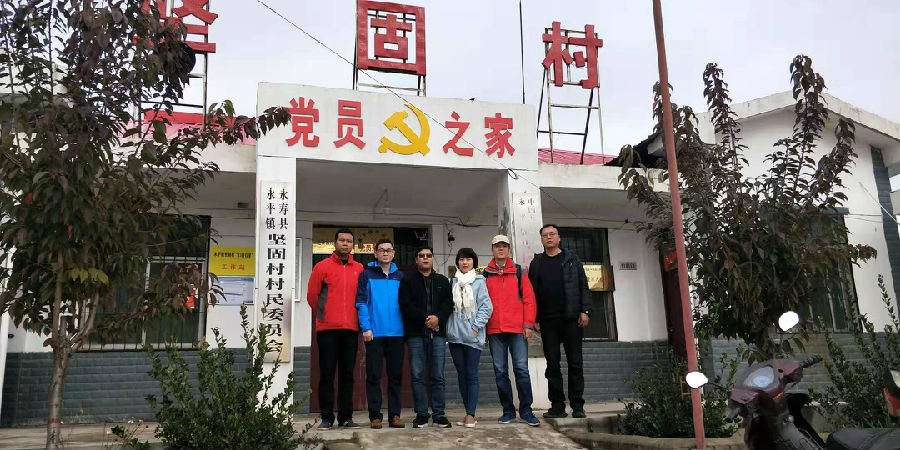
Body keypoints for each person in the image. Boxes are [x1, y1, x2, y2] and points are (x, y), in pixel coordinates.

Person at [528, 224, 592, 419]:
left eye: (552, 234)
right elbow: (532, 293)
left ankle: (577, 406)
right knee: (552, 365)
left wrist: (585, 311)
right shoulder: (537, 263)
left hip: (571, 319)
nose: (549, 237)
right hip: (548, 321)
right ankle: (557, 406)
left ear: (559, 238)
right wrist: (534, 318)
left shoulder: (572, 259)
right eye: (545, 235)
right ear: (541, 239)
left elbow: (583, 285)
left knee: (575, 364)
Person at [306, 228, 364, 430]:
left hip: (351, 329)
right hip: (327, 330)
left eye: (349, 241)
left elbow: (363, 296)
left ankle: (346, 417)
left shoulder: (359, 268)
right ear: (335, 243)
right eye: (342, 240)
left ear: (353, 245)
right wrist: (325, 315)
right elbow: (312, 296)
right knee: (327, 374)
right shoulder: (322, 267)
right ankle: (327, 417)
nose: (345, 244)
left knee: (348, 375)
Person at [483, 234, 540, 427]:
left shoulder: (519, 271)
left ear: (509, 249)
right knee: (500, 372)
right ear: (492, 249)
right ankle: (508, 411)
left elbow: (529, 299)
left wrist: (528, 324)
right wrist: (484, 329)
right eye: (497, 246)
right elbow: (481, 304)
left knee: (521, 370)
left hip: (517, 329)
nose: (501, 249)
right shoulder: (485, 275)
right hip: (495, 330)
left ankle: (526, 411)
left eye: (504, 246)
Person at [398, 245, 454, 428]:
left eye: (428, 255)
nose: (425, 258)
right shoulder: (407, 281)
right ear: (416, 260)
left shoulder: (442, 280)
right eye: (421, 255)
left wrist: (438, 318)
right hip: (415, 334)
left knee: (438, 375)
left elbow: (448, 304)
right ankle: (421, 414)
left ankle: (439, 415)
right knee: (417, 375)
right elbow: (405, 305)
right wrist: (426, 319)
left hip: (437, 335)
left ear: (432, 259)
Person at [356, 239, 406, 429]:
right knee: (374, 376)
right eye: (382, 250)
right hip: (374, 333)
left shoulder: (400, 276)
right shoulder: (366, 275)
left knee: (395, 377)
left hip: (397, 334)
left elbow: (407, 304)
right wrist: (365, 327)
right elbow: (361, 302)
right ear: (375, 253)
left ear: (393, 253)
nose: (385, 253)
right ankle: (375, 416)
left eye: (389, 250)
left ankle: (395, 415)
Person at [446, 248, 493, 428]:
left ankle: (471, 414)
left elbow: (486, 307)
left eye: (468, 259)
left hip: (473, 336)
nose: (465, 262)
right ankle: (467, 413)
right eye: (461, 259)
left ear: (474, 262)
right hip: (455, 336)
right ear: (457, 262)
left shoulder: (480, 282)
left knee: (471, 374)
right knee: (461, 374)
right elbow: (448, 307)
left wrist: (475, 328)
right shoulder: (453, 282)